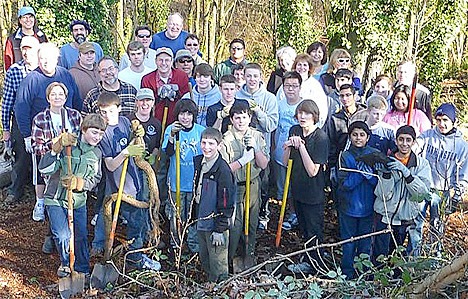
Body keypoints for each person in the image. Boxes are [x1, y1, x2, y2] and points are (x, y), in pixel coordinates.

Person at [91, 92, 158, 269]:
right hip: (118, 184)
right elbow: (111, 165)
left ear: (119, 109)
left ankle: (134, 256)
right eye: (103, 112)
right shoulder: (102, 134)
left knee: (137, 220)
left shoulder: (125, 122)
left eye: (111, 112)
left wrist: (138, 136)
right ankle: (108, 250)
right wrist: (126, 152)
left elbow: (138, 148)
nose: (107, 116)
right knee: (110, 215)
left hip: (133, 181)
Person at [38, 113, 106, 279]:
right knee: (63, 235)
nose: (98, 137)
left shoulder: (96, 153)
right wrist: (55, 150)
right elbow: (44, 170)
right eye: (94, 132)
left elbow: (96, 178)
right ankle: (67, 263)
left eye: (101, 134)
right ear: (83, 130)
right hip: (55, 198)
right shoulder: (68, 146)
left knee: (81, 235)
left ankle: (82, 269)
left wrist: (81, 184)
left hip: (78, 201)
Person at [414, 103, 468, 251]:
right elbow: (416, 148)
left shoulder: (461, 146)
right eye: (438, 120)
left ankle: (434, 258)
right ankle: (413, 255)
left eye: (445, 120)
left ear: (453, 121)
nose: (441, 124)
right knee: (416, 222)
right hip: (424, 187)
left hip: (443, 192)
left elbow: (463, 174)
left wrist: (456, 195)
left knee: (437, 226)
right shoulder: (428, 135)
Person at [283, 100, 329, 274]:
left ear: (314, 116)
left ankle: (316, 265)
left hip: (313, 193)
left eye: (307, 113)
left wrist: (301, 146)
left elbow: (312, 171)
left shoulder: (321, 138)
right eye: (300, 113)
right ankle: (308, 258)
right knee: (303, 228)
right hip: (297, 189)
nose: (302, 117)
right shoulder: (294, 130)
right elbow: (285, 162)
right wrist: (288, 146)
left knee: (313, 229)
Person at [220, 102, 269, 262]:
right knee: (234, 225)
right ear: (232, 120)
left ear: (250, 118)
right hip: (235, 186)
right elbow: (224, 169)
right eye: (237, 118)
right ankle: (230, 258)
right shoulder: (226, 139)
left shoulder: (256, 136)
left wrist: (255, 149)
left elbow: (263, 164)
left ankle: (249, 254)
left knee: (252, 222)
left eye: (244, 117)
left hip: (253, 185)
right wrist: (242, 161)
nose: (240, 121)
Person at [373, 125, 432, 260]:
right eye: (401, 139)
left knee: (397, 257)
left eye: (408, 140)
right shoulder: (386, 160)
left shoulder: (422, 164)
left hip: (405, 218)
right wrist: (386, 174)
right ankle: (375, 280)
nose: (404, 144)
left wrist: (407, 174)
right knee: (379, 256)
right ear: (396, 140)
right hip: (384, 216)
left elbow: (421, 194)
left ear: (413, 142)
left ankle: (395, 281)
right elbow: (383, 195)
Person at [14, 42, 82, 159]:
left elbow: (76, 100)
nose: (46, 62)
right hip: (43, 132)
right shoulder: (30, 81)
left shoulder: (65, 75)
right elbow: (21, 109)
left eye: (49, 58)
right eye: (42, 58)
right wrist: (27, 136)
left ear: (56, 59)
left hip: (68, 129)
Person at [31, 82, 82, 222]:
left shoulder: (74, 115)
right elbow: (36, 147)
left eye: (60, 94)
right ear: (48, 98)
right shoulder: (40, 118)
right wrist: (54, 144)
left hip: (71, 158)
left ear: (65, 98)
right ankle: (40, 203)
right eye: (53, 94)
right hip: (49, 158)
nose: (57, 97)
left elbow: (82, 139)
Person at [235, 63, 278, 230]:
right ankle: (240, 216)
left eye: (255, 76)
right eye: (249, 76)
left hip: (261, 149)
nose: (252, 79)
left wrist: (258, 111)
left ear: (261, 77)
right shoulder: (238, 95)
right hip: (239, 148)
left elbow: (271, 126)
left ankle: (262, 215)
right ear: (243, 76)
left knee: (263, 183)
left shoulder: (269, 98)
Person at [336, 121, 378, 279]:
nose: (358, 138)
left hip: (368, 208)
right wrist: (360, 175)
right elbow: (344, 184)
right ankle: (347, 274)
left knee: (365, 243)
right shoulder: (345, 156)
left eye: (362, 135)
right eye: (355, 135)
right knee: (348, 243)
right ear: (350, 136)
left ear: (367, 137)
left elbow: (379, 183)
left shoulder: (373, 154)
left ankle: (363, 274)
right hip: (348, 208)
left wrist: (370, 177)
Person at [193, 128, 235, 282]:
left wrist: (220, 229)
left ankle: (220, 288)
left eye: (211, 143)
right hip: (202, 220)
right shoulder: (199, 162)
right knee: (205, 258)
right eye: (203, 143)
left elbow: (226, 202)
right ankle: (209, 287)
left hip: (216, 224)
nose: (206, 147)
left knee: (218, 262)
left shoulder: (222, 170)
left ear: (219, 145)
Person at [161, 100, 204, 252]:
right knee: (176, 214)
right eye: (182, 114)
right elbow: (168, 152)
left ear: (194, 116)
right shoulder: (171, 130)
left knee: (192, 214)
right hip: (176, 181)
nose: (185, 118)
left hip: (194, 182)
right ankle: (176, 243)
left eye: (189, 114)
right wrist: (172, 135)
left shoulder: (200, 131)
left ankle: (193, 243)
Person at [2, 36, 40, 203]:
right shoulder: (15, 71)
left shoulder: (45, 68)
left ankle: (40, 191)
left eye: (30, 48)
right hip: (20, 120)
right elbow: (7, 102)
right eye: (23, 48)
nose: (26, 52)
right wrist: (6, 129)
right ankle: (16, 190)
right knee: (21, 157)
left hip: (42, 120)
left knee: (43, 155)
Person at [272, 71, 303, 230]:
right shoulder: (280, 104)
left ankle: (297, 213)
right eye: (287, 86)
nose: (290, 89)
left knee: (296, 185)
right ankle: (287, 212)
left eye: (294, 86)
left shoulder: (304, 105)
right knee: (283, 186)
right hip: (280, 152)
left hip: (298, 155)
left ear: (300, 87)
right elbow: (275, 128)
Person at [141, 47, 191, 125]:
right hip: (154, 121)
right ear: (155, 61)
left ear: (171, 62)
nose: (163, 63)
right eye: (160, 60)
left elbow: (186, 101)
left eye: (167, 60)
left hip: (177, 121)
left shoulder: (182, 76)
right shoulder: (147, 79)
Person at [276, 54, 328, 128]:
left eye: (305, 65)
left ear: (309, 68)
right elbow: (278, 103)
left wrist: (314, 128)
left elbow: (322, 110)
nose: (302, 67)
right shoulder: (285, 84)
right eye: (299, 65)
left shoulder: (315, 86)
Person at [4, 6, 47, 71]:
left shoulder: (41, 37)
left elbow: (47, 56)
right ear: (20, 20)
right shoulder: (12, 40)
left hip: (40, 74)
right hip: (19, 75)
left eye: (31, 17)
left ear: (34, 19)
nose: (28, 20)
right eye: (24, 17)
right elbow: (8, 61)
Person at [129, 88, 162, 172]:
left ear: (153, 102)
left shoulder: (157, 124)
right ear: (136, 102)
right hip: (129, 165)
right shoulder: (127, 120)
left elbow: (157, 146)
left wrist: (153, 156)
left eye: (148, 100)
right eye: (141, 100)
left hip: (147, 167)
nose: (145, 104)